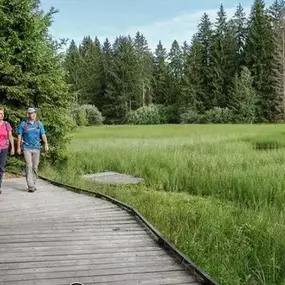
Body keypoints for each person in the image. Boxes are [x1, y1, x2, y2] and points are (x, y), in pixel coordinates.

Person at [17, 108, 49, 192]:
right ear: (28, 115)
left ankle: (33, 183)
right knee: (29, 165)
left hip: (37, 148)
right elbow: (19, 136)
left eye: (34, 113)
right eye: (31, 113)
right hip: (26, 147)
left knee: (35, 167)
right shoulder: (23, 124)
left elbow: (43, 134)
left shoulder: (39, 124)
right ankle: (30, 186)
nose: (34, 114)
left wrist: (46, 144)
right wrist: (18, 147)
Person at [0, 107, 15, 194]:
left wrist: (12, 147)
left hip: (4, 148)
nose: (1, 115)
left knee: (1, 168)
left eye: (2, 114)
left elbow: (10, 136)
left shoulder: (6, 124)